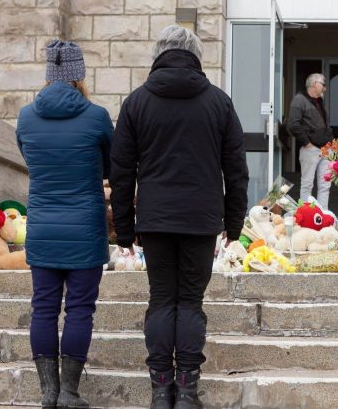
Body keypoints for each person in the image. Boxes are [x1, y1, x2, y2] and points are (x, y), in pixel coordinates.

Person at [110, 25, 249, 409]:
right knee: (189, 301)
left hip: (154, 219)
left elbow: (121, 172)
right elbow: (235, 170)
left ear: (158, 53)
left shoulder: (137, 102)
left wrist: (124, 230)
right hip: (202, 219)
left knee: (161, 300)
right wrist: (234, 224)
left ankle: (160, 390)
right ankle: (186, 389)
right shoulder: (219, 102)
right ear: (197, 55)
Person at [16, 40, 114, 409]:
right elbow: (110, 164)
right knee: (79, 308)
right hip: (84, 227)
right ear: (80, 74)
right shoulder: (97, 116)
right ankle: (70, 393)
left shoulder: (26, 116)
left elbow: (28, 156)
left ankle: (48, 393)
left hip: (42, 225)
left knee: (43, 306)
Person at [287, 73, 333, 209]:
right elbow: (293, 124)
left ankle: (323, 215)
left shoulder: (318, 101)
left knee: (325, 185)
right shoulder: (299, 100)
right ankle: (306, 215)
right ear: (314, 84)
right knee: (307, 184)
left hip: (325, 149)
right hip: (311, 148)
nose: (325, 88)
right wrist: (307, 143)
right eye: (323, 84)